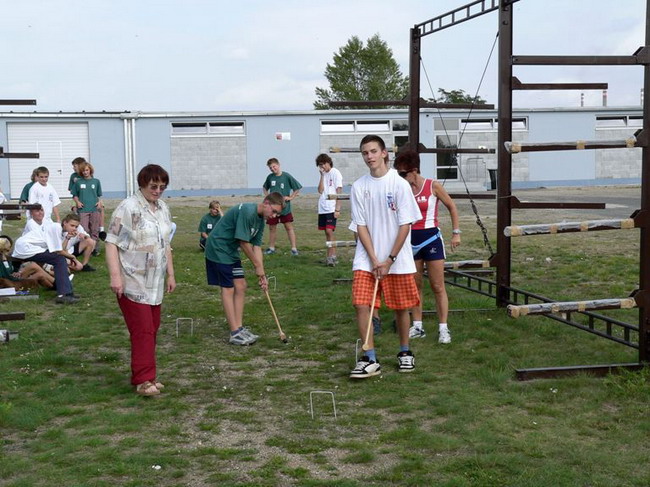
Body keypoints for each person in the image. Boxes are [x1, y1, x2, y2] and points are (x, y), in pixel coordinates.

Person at [348, 135, 422, 379]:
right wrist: (373, 259)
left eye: (373, 151)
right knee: (361, 305)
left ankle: (405, 351)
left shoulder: (398, 184)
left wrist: (389, 260)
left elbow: (405, 224)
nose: (369, 156)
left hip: (397, 260)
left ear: (383, 153)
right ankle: (369, 358)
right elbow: (360, 226)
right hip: (366, 259)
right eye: (365, 153)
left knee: (401, 307)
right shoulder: (359, 187)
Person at [105, 164, 176, 397]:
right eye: (153, 186)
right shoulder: (128, 207)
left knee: (152, 328)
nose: (158, 191)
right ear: (142, 184)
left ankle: (149, 374)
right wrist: (116, 277)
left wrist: (171, 274)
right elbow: (111, 242)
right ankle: (143, 380)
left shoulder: (162, 208)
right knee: (143, 330)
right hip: (132, 279)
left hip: (155, 281)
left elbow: (165, 243)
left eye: (162, 187)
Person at [394, 150, 461, 344]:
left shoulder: (433, 186)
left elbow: (452, 207)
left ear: (414, 170)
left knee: (437, 285)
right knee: (415, 286)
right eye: (399, 174)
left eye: (403, 173)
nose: (401, 177)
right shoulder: (402, 189)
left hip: (431, 238)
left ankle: (443, 328)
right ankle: (417, 326)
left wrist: (456, 233)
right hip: (410, 240)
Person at [204, 192, 285, 346]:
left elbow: (256, 246)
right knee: (228, 288)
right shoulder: (247, 212)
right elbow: (243, 242)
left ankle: (239, 328)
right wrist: (256, 265)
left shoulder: (261, 221)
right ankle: (234, 333)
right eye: (274, 211)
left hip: (230, 250)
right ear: (266, 203)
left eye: (277, 214)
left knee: (241, 285)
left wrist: (262, 272)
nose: (274, 216)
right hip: (218, 248)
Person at [12, 206, 82, 304]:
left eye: (76, 227)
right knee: (59, 259)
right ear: (65, 222)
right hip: (25, 247)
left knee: (59, 259)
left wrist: (67, 238)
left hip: (32, 247)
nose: (74, 228)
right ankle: (63, 294)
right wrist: (73, 257)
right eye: (72, 225)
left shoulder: (61, 231)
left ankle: (68, 293)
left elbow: (61, 249)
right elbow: (59, 251)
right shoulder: (56, 227)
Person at [262, 158, 302, 256]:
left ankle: (294, 249)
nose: (272, 169)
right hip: (272, 208)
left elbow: (297, 187)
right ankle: (271, 248)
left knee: (288, 227)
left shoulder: (286, 176)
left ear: (278, 165)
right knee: (272, 228)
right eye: (270, 168)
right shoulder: (270, 177)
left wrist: (291, 197)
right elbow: (265, 188)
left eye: (274, 166)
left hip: (285, 208)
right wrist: (267, 197)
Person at [316, 153, 343, 266]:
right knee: (326, 233)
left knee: (329, 231)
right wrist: (322, 176)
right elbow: (320, 190)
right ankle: (329, 256)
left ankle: (333, 256)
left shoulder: (335, 173)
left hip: (331, 207)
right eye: (320, 165)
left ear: (328, 162)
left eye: (323, 164)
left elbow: (339, 191)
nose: (322, 167)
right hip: (323, 207)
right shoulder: (324, 175)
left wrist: (337, 209)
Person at [71, 160, 105, 245]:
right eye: (83, 171)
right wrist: (77, 202)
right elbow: (74, 195)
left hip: (94, 208)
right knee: (84, 229)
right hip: (83, 209)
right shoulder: (78, 182)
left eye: (87, 170)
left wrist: (99, 202)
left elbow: (99, 195)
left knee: (95, 229)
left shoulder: (96, 181)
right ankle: (86, 246)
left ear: (90, 170)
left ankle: (95, 247)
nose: (85, 172)